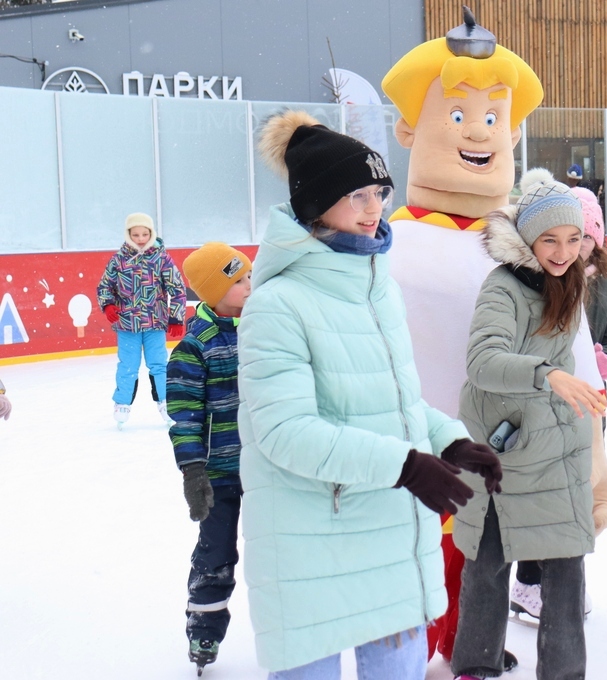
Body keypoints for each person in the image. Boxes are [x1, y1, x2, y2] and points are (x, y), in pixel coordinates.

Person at [238, 110, 502, 679]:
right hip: (312, 550)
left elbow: (396, 406)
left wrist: (450, 441)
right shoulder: (277, 304)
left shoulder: (377, 287)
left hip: (389, 542)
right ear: (314, 205)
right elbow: (285, 434)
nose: (374, 208)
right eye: (355, 194)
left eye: (379, 192)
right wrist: (406, 466)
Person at [380, 11, 546, 667]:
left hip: (497, 451)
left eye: (493, 117)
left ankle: (466, 651)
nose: (479, 131)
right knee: (415, 576)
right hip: (409, 455)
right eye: (457, 115)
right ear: (408, 129)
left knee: (479, 563)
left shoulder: (526, 247)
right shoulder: (384, 245)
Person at [451, 173, 604, 680]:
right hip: (505, 447)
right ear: (529, 241)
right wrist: (548, 375)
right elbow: (482, 361)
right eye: (550, 241)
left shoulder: (570, 278)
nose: (563, 252)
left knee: (564, 570)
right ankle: (474, 666)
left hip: (555, 445)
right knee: (488, 561)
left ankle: (564, 673)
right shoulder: (504, 286)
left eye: (573, 239)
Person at [509, 186, 607, 621]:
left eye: (583, 238)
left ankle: (560, 581)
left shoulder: (606, 288)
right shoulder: (532, 280)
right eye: (565, 237)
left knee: (580, 488)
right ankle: (530, 583)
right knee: (543, 490)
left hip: (590, 404)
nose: (574, 248)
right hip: (544, 398)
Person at [165, 242, 253, 674]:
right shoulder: (194, 347)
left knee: (277, 550)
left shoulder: (262, 330)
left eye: (249, 276)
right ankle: (204, 629)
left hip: (262, 470)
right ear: (211, 291)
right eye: (238, 280)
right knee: (216, 554)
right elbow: (183, 416)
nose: (249, 286)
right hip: (217, 475)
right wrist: (193, 471)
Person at [97, 212, 186, 426]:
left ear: (151, 233)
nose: (140, 238)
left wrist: (176, 317)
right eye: (135, 234)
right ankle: (122, 403)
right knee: (128, 365)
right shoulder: (119, 258)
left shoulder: (161, 258)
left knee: (159, 365)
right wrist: (108, 304)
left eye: (145, 234)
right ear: (128, 234)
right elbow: (104, 286)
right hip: (127, 324)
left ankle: (166, 401)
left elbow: (178, 288)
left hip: (155, 322)